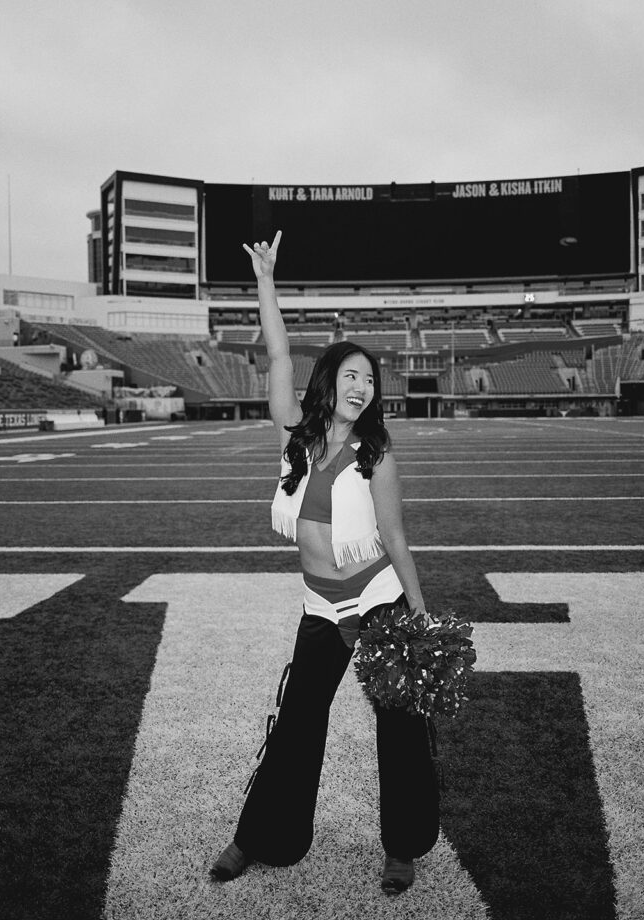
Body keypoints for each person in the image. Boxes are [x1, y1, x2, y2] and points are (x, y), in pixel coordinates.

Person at [210, 231, 440, 895]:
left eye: (371, 379)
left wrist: (418, 613)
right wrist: (265, 281)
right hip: (321, 606)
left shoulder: (379, 455)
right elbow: (278, 352)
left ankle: (402, 848)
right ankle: (256, 838)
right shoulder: (293, 432)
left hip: (377, 601)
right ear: (327, 383)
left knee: (399, 727)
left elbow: (395, 537)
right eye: (351, 375)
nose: (363, 387)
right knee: (296, 725)